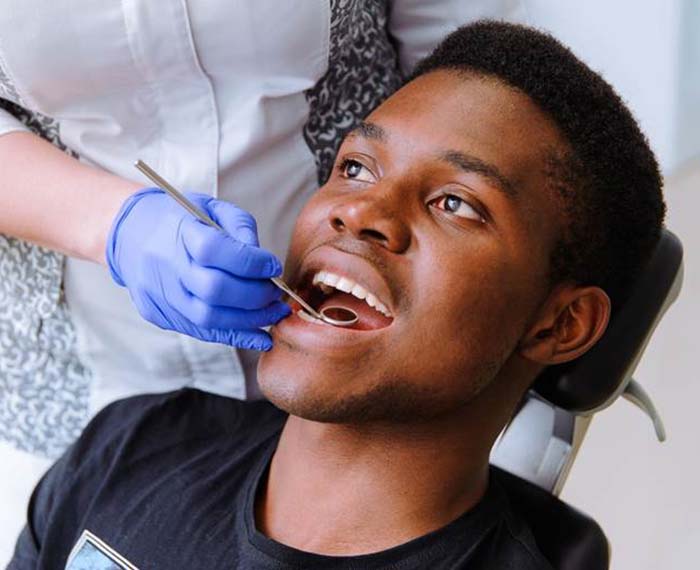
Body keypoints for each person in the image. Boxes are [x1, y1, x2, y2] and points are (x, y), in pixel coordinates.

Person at [8, 20, 664, 570]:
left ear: (561, 324)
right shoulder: (127, 449)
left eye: (455, 203)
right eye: (353, 167)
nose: (360, 211)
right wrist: (113, 224)